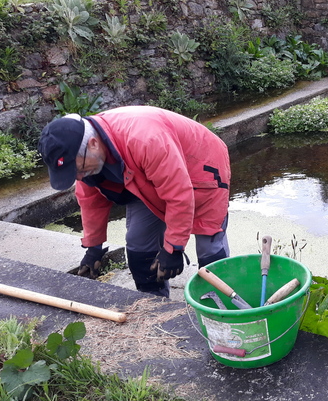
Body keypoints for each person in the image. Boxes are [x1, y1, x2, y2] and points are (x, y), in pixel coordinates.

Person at [37, 106, 231, 298]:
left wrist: (174, 248)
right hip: (145, 174)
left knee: (209, 245)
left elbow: (178, 195)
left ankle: (220, 308)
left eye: (78, 169)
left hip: (201, 165)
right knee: (138, 241)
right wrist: (93, 248)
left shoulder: (145, 139)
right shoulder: (87, 161)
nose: (78, 176)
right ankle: (151, 302)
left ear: (94, 144)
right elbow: (90, 201)